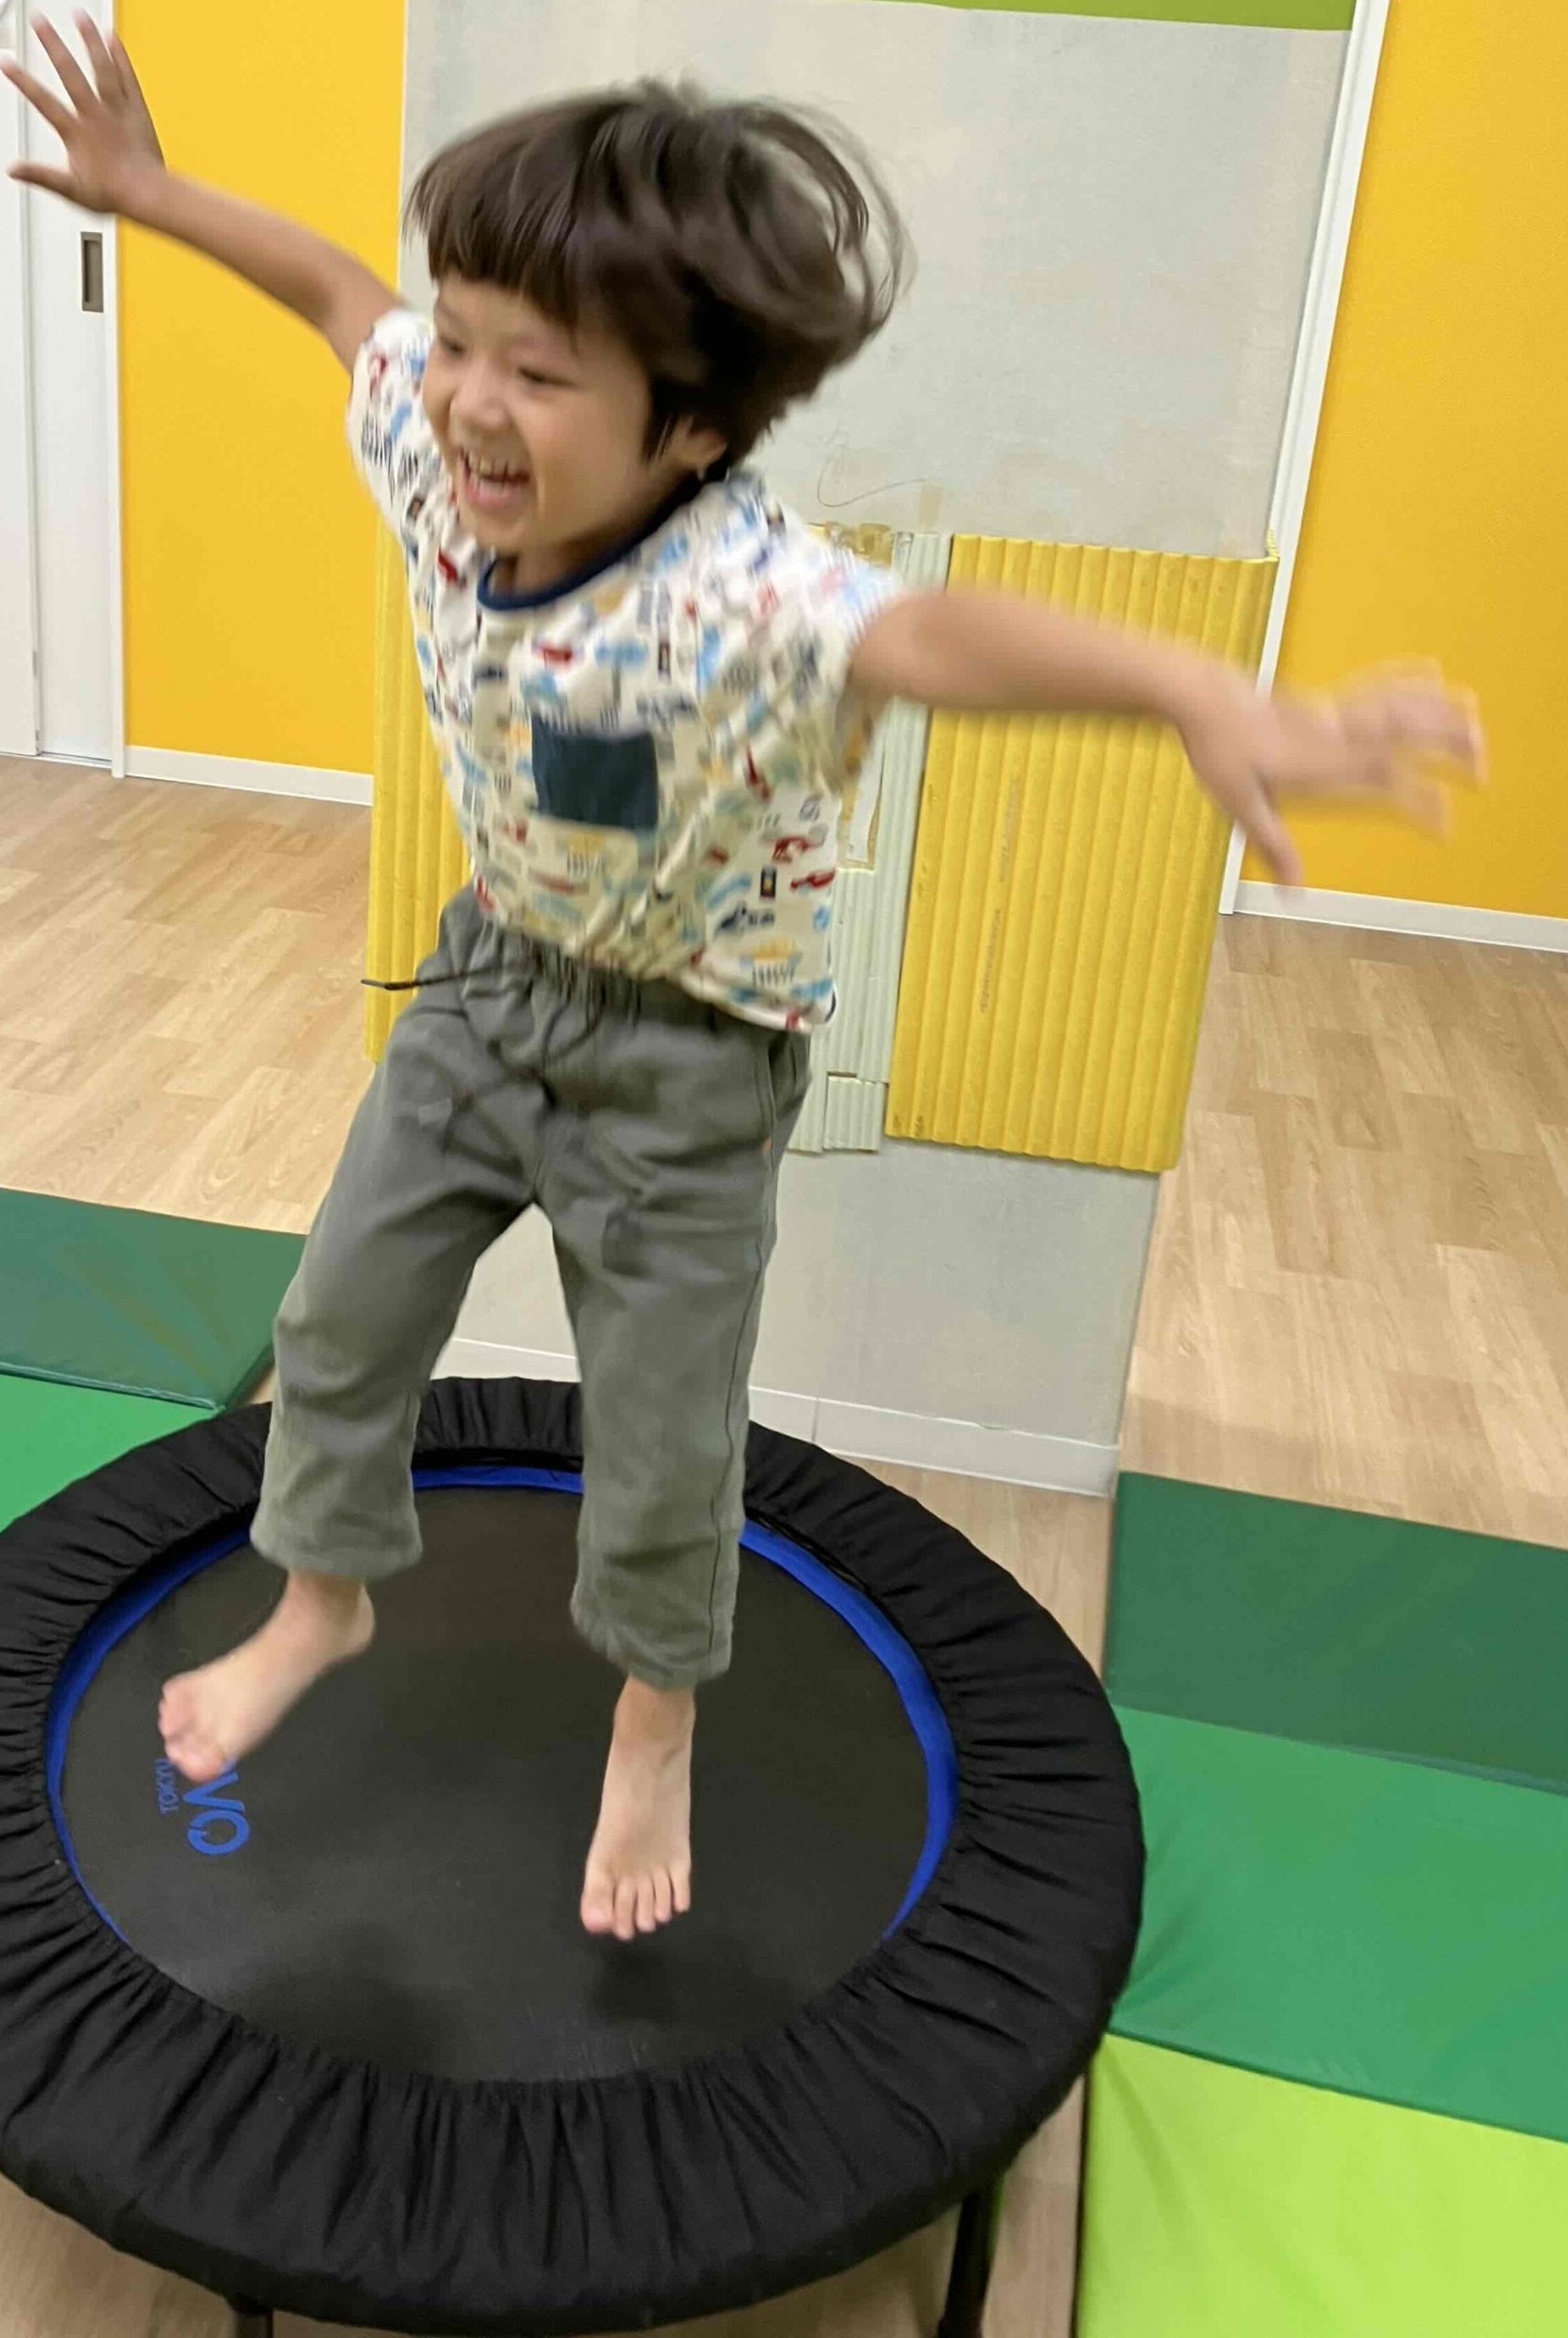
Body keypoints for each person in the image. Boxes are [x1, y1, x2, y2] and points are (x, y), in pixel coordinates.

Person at [6, 14, 1480, 1943]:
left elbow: (939, 637)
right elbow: (342, 295)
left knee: (662, 1447)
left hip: (689, 1067)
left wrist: (1197, 689)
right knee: (340, 1317)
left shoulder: (747, 598)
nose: (469, 399)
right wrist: (148, 190)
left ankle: (655, 1719)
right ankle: (323, 1598)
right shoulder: (442, 452)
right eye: (467, 344)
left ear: (692, 427)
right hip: (491, 985)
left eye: (541, 372)